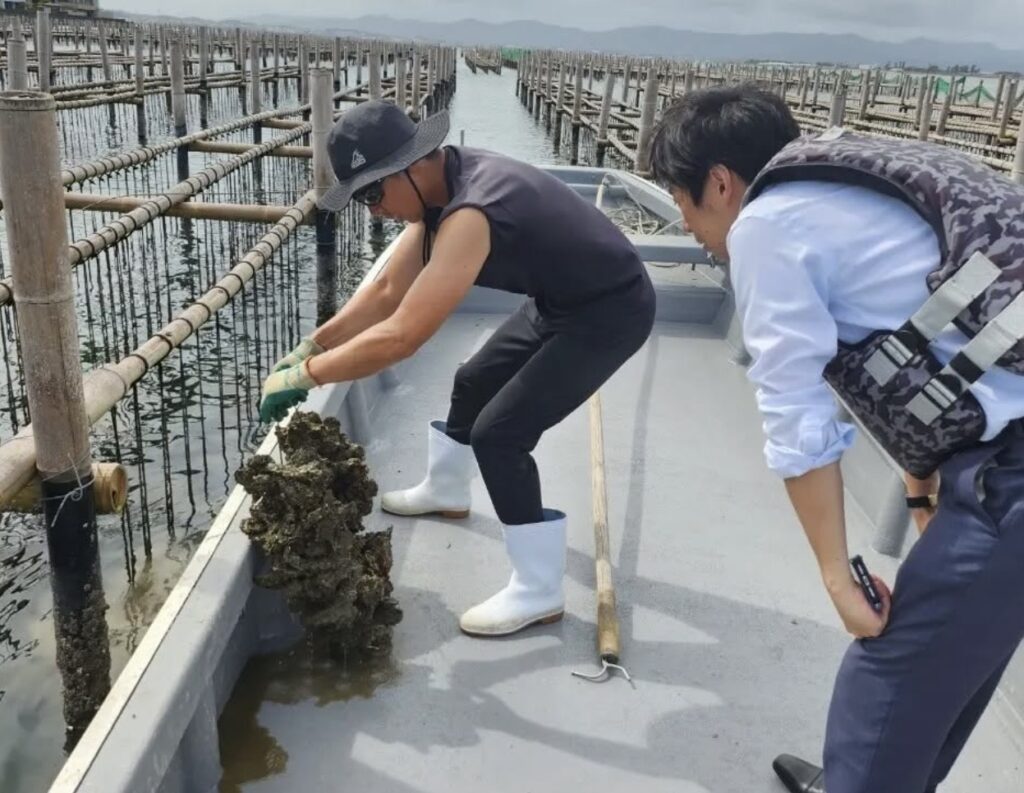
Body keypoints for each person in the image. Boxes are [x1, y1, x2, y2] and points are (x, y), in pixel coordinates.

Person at [648, 83, 1024, 793]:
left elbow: (793, 408)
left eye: (681, 201)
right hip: (995, 451)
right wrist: (921, 495)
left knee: (885, 679)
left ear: (720, 183)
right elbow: (929, 348)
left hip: (1009, 478)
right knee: (950, 669)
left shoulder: (765, 226)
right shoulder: (842, 181)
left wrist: (835, 574)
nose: (688, 226)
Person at [260, 100, 655, 637]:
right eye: (363, 200)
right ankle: (447, 490)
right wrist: (312, 345)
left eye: (373, 194)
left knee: (500, 436)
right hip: (558, 301)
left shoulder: (471, 211)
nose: (373, 211)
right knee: (472, 382)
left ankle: (539, 590)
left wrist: (307, 376)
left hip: (610, 310)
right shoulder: (437, 191)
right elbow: (387, 290)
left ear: (410, 166)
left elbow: (403, 335)